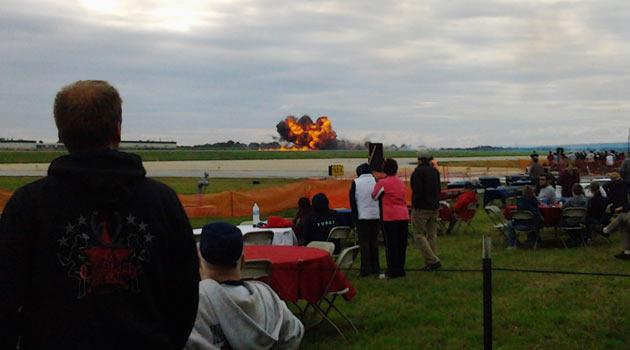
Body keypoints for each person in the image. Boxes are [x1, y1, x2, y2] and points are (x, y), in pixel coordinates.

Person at [0, 81, 200, 350]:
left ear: (60, 133)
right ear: (118, 128)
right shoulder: (163, 202)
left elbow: (6, 299)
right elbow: (186, 295)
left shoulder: (27, 205)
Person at [186, 222, 304, 349]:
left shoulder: (191, 304)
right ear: (243, 261)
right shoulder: (268, 296)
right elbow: (294, 334)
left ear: (198, 261)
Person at [372, 158, 409, 278]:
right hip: (403, 215)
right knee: (401, 243)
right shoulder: (400, 181)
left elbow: (374, 196)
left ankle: (392, 270)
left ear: (384, 169)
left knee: (391, 244)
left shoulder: (383, 182)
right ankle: (400, 269)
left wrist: (378, 182)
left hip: (390, 217)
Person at [410, 151, 442, 271]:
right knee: (432, 234)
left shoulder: (417, 172)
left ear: (419, 159)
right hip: (434, 206)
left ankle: (433, 260)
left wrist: (415, 205)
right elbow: (439, 188)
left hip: (421, 207)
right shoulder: (435, 172)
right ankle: (432, 261)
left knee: (418, 235)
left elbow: (416, 190)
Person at [349, 163, 381, 277]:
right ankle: (376, 267)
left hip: (362, 216)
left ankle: (365, 269)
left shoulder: (356, 183)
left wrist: (354, 218)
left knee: (364, 243)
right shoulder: (377, 181)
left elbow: (353, 202)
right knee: (374, 242)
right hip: (376, 216)